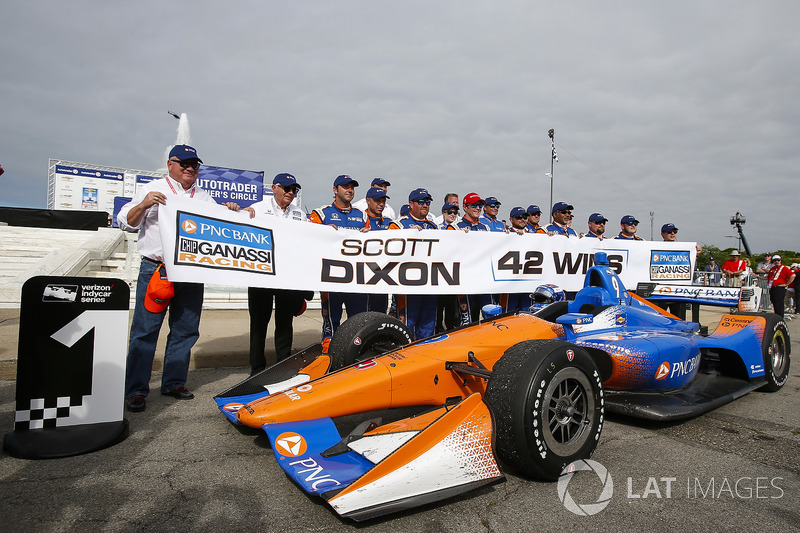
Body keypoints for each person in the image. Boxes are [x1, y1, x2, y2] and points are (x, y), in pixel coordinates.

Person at [118, 144, 245, 412]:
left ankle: (174, 382)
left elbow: (221, 227)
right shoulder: (152, 189)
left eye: (195, 165)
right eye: (184, 163)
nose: (190, 168)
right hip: (157, 269)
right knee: (145, 330)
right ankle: (137, 390)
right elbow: (126, 222)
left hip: (190, 272)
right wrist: (143, 204)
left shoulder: (203, 198)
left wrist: (230, 211)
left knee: (186, 329)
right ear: (170, 164)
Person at [245, 173, 310, 376]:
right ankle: (257, 369)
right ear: (274, 188)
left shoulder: (300, 214)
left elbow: (308, 242)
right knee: (258, 323)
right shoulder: (257, 208)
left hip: (286, 275)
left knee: (284, 323)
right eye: (287, 188)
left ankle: (282, 366)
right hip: (261, 274)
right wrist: (238, 213)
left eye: (294, 190)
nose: (291, 193)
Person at [310, 175, 369, 351]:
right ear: (335, 190)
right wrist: (321, 232)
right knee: (331, 324)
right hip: (331, 280)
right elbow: (307, 240)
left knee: (359, 322)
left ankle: (355, 358)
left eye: (352, 187)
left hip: (356, 280)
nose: (350, 190)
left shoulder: (362, 215)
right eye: (345, 187)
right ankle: (329, 361)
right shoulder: (320, 214)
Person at [389, 188, 439, 338]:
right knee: (406, 326)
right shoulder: (398, 225)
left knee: (428, 326)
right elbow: (389, 250)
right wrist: (406, 235)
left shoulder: (433, 227)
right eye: (421, 202)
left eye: (428, 202)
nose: (425, 205)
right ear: (411, 204)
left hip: (429, 284)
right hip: (407, 286)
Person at [363, 186, 392, 313]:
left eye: (383, 201)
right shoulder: (361, 220)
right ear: (368, 200)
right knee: (362, 314)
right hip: (363, 276)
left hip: (382, 276)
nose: (381, 204)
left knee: (380, 313)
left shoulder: (390, 223)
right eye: (377, 201)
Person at [436, 201, 460, 332]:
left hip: (452, 274)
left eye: (455, 212)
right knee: (438, 308)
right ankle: (437, 330)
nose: (452, 215)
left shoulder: (459, 228)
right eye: (449, 212)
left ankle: (451, 330)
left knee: (452, 309)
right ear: (443, 213)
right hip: (438, 274)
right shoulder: (437, 227)